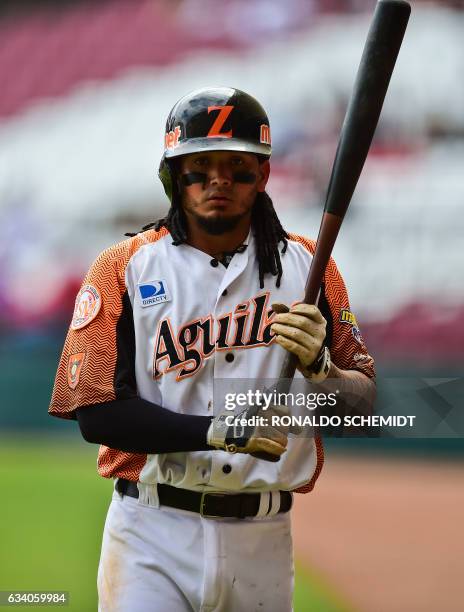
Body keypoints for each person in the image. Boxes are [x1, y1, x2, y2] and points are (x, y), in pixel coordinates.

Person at [49, 86, 375, 612]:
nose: (218, 180)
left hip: (263, 539)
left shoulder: (311, 269)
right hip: (151, 535)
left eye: (237, 166)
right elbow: (97, 414)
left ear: (263, 176)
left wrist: (323, 371)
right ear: (175, 177)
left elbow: (363, 406)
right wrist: (220, 432)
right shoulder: (124, 267)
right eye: (200, 166)